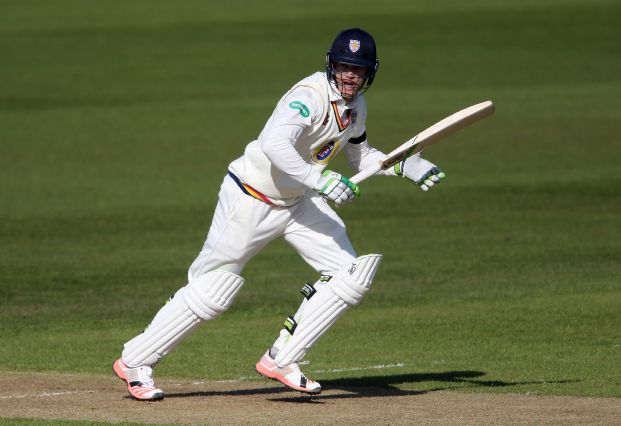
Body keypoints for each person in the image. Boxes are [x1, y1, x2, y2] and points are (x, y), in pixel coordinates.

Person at [112, 27, 445, 401]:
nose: (350, 75)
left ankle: (282, 358)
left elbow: (360, 156)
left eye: (359, 69)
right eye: (344, 67)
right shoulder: (308, 97)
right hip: (251, 197)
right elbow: (274, 145)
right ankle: (136, 360)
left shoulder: (356, 107)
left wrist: (405, 165)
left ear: (371, 72)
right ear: (331, 65)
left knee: (352, 274)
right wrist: (319, 178)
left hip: (298, 202)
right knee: (213, 289)